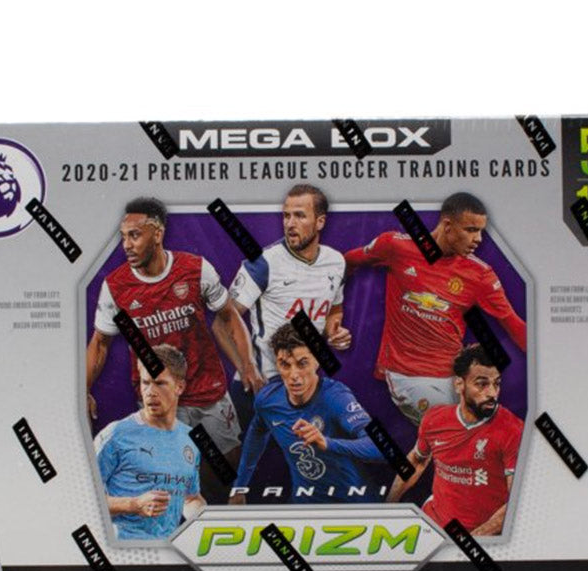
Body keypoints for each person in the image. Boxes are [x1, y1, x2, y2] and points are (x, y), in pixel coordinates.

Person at [87, 197, 262, 500]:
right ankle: (186, 519)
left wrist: (247, 365)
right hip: (159, 395)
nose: (126, 245)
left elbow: (229, 316)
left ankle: (230, 514)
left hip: (207, 387)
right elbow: (100, 343)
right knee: (174, 473)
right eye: (123, 236)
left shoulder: (195, 269)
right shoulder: (116, 287)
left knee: (227, 470)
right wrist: (85, 388)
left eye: (135, 235)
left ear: (157, 233)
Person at [345, 192, 526, 425]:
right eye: (471, 230)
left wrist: (548, 362)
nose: (478, 239)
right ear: (447, 225)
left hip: (455, 376)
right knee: (454, 430)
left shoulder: (479, 274)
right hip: (407, 374)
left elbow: (513, 324)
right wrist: (335, 310)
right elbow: (347, 261)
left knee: (489, 434)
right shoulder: (395, 246)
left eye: (481, 231)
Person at [229, 323, 385, 504]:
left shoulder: (336, 397)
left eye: (302, 363)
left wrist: (328, 443)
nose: (294, 375)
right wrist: (239, 487)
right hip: (304, 502)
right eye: (285, 365)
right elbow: (256, 435)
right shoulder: (268, 399)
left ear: (317, 361)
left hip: (352, 502)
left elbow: (380, 448)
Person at [386, 344, 523, 536]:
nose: (492, 393)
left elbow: (517, 500)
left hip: (479, 535)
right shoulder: (434, 419)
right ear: (459, 384)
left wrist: (469, 543)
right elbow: (417, 461)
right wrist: (387, 506)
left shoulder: (513, 430)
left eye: (497, 384)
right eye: (482, 384)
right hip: (433, 522)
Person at [226, 184, 351, 388]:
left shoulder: (336, 262)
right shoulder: (263, 263)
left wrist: (334, 332)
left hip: (305, 380)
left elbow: (334, 310)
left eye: (300, 216)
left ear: (320, 221)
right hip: (264, 382)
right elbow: (224, 319)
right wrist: (246, 367)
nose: (290, 224)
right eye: (286, 216)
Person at [94, 345, 205, 541]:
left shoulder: (190, 439)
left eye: (159, 383)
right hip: (122, 549)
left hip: (165, 551)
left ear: (179, 387)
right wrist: (133, 505)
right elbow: (79, 498)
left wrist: (207, 521)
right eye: (145, 383)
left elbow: (190, 498)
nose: (150, 392)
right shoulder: (116, 434)